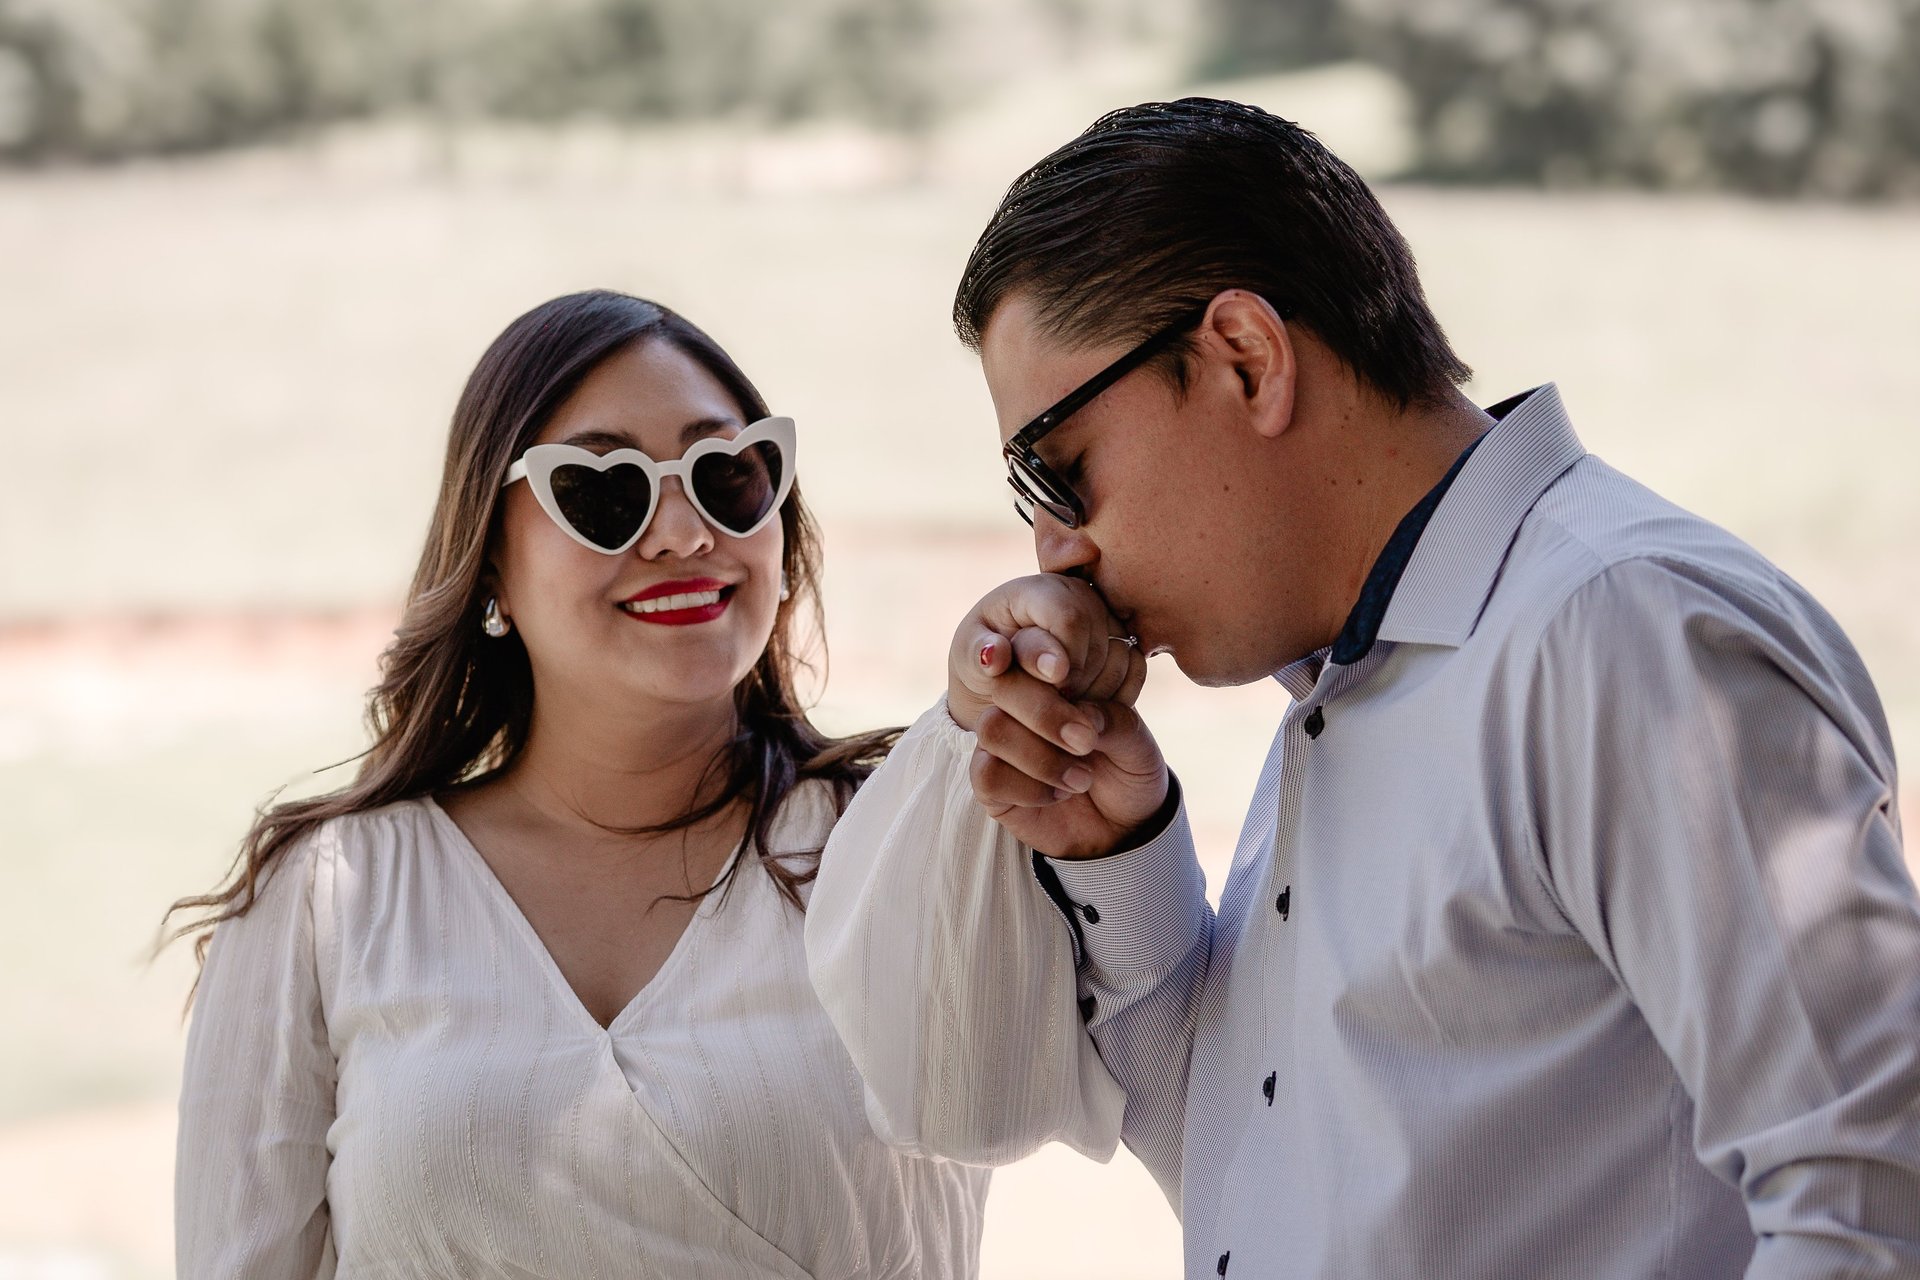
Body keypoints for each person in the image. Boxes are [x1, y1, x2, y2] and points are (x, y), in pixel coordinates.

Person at [806, 100, 1920, 1277]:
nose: (1054, 550)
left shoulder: (1623, 632)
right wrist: (1116, 852)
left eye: (1059, 471)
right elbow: (1261, 1182)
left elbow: (1870, 1189)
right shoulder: (1356, 673)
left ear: (1247, 357)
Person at [169, 290, 989, 1278]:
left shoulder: (904, 844)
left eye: (726, 474)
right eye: (605, 489)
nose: (686, 533)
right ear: (489, 569)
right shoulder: (321, 902)